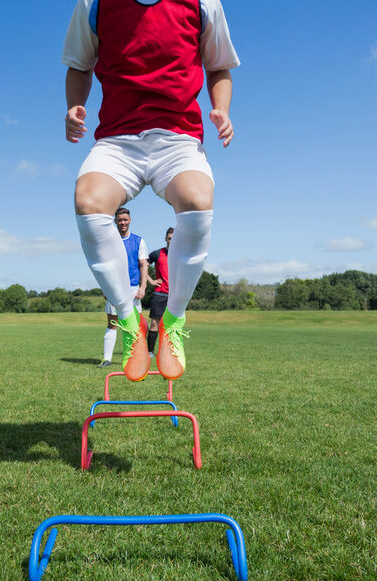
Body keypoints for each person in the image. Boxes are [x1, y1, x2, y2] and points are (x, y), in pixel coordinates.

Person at [63, 0, 239, 381]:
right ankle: (130, 324)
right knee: (88, 202)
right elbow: (80, 64)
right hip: (117, 141)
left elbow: (219, 65)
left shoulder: (203, 3)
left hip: (177, 138)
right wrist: (75, 106)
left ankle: (173, 321)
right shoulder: (94, 3)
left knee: (197, 200)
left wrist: (221, 109)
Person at [98, 207, 150, 368]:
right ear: (115, 221)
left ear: (130, 220)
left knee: (136, 325)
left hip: (133, 288)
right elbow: (103, 267)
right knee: (112, 323)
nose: (122, 222)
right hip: (114, 288)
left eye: (125, 219)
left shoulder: (139, 241)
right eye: (119, 220)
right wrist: (104, 288)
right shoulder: (108, 241)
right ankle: (106, 359)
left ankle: (137, 357)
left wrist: (143, 287)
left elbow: (143, 265)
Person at [146, 227, 174, 357]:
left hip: (175, 296)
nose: (171, 241)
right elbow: (142, 265)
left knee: (171, 325)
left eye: (174, 239)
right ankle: (150, 352)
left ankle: (168, 352)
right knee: (154, 323)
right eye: (169, 238)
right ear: (165, 239)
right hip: (160, 294)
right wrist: (150, 280)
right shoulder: (157, 254)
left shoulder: (181, 255)